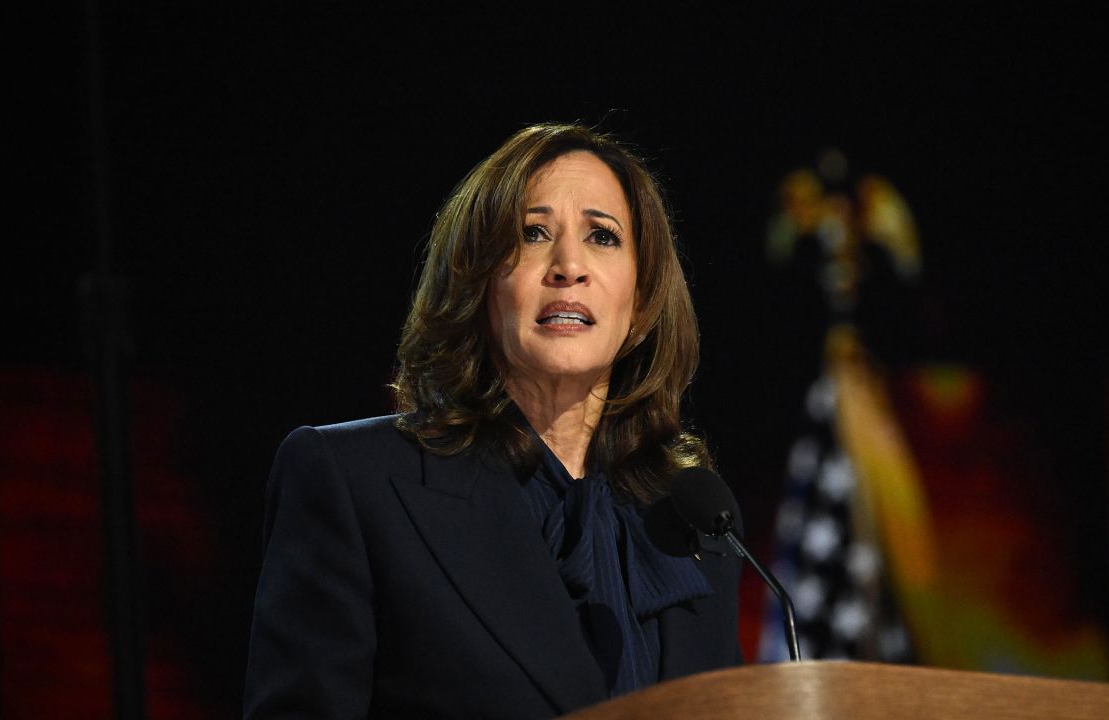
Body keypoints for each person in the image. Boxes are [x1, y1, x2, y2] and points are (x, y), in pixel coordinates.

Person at [243, 123, 742, 719]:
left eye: (603, 237)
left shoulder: (694, 520)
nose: (569, 266)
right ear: (478, 282)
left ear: (640, 300)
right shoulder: (355, 482)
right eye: (532, 234)